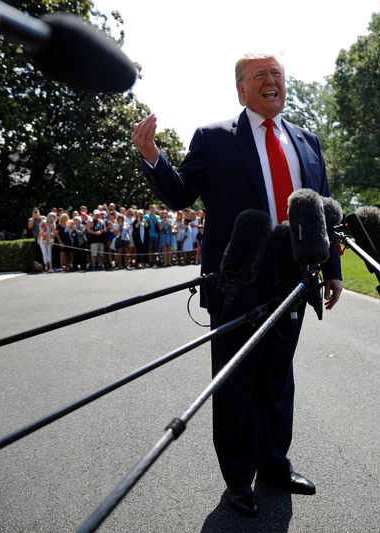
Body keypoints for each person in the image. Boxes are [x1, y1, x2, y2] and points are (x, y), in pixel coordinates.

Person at [132, 52, 342, 516]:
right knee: (235, 382)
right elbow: (182, 193)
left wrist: (332, 270)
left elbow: (323, 210)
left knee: (277, 378)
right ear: (241, 89)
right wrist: (152, 157)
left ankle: (274, 466)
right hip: (238, 279)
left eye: (278, 74)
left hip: (294, 278)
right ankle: (237, 479)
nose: (272, 81)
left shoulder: (307, 141)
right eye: (260, 75)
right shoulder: (213, 138)